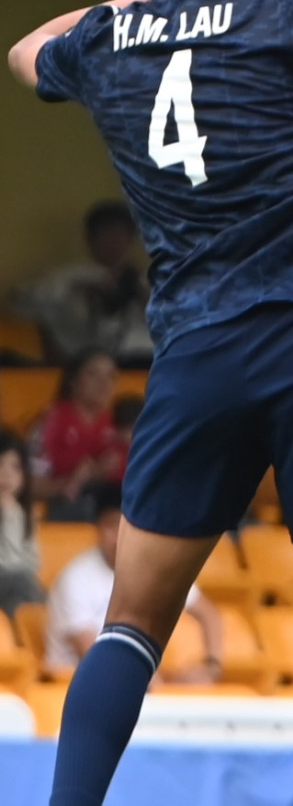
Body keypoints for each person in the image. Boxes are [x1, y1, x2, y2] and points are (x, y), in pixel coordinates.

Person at [7, 0, 293, 806]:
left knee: (132, 621)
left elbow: (26, 50)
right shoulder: (282, 5)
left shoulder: (106, 38)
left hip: (196, 351)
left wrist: (152, 1)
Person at [43, 488, 224, 682]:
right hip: (77, 683)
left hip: (140, 680)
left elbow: (208, 613)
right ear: (98, 527)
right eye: (112, 525)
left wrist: (211, 666)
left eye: (128, 525)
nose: (120, 535)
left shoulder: (155, 568)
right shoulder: (75, 579)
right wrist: (157, 682)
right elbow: (91, 655)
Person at [10, 203, 150, 365]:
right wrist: (77, 289)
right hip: (78, 363)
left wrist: (141, 294)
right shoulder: (67, 278)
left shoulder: (142, 281)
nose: (115, 243)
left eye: (122, 236)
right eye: (108, 235)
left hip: (138, 362)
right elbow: (18, 305)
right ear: (90, 238)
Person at [29, 351, 126, 520]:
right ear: (73, 380)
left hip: (113, 511)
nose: (103, 383)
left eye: (111, 377)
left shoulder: (120, 426)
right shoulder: (49, 423)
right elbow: (29, 484)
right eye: (93, 374)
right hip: (64, 511)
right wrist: (75, 480)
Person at [0, 431, 41, 612]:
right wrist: (9, 517)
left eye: (15, 467)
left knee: (20, 594)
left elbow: (32, 563)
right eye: (0, 464)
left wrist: (12, 514)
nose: (6, 474)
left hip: (16, 589)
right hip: (12, 583)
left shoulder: (25, 513)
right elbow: (8, 564)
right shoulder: (13, 512)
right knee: (21, 582)